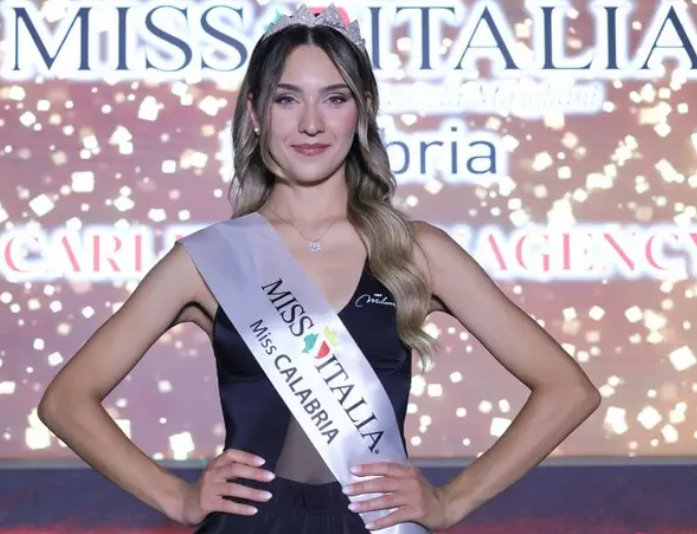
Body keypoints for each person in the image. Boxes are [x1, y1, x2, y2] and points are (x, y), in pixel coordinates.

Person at [38, 4, 601, 534]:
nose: (311, 123)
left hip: (374, 524)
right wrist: (176, 497)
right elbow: (66, 401)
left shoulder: (415, 251)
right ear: (255, 113)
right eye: (287, 99)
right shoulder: (211, 258)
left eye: (334, 98)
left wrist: (452, 502)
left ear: (362, 111)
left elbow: (568, 390)